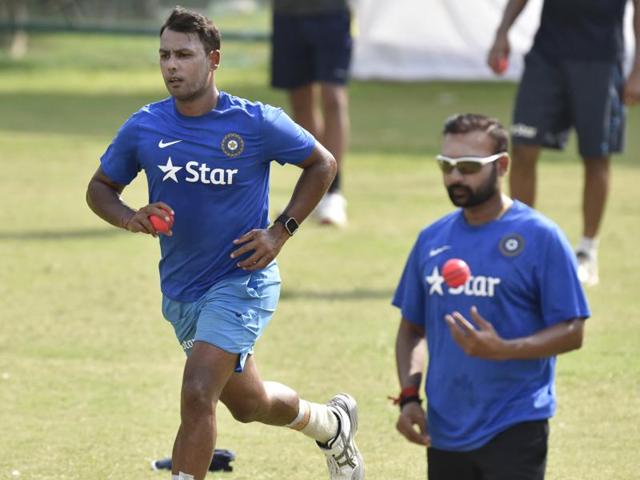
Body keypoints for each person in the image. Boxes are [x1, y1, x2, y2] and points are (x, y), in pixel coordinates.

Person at [85, 7, 364, 480]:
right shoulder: (145, 127)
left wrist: (281, 231)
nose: (172, 65)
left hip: (241, 280)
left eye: (184, 55)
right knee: (247, 403)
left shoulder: (256, 122)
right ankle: (330, 425)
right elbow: (99, 189)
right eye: (165, 55)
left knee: (197, 393)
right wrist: (131, 217)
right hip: (182, 290)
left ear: (213, 59)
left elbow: (323, 163)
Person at [392, 114, 589, 479]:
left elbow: (573, 330)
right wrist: (408, 396)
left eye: (467, 166)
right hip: (445, 427)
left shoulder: (541, 237)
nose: (454, 177)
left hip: (515, 422)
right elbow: (412, 329)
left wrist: (504, 349)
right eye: (446, 166)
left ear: (502, 165)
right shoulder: (431, 239)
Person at [487, 0, 640, 286]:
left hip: (601, 60)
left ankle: (586, 251)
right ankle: (521, 242)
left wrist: (638, 69)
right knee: (522, 147)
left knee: (596, 156)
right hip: (547, 56)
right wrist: (502, 32)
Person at [271, 0, 352, 227]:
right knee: (300, 101)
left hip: (331, 11)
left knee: (333, 99)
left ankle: (333, 193)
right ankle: (314, 189)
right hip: (286, 13)